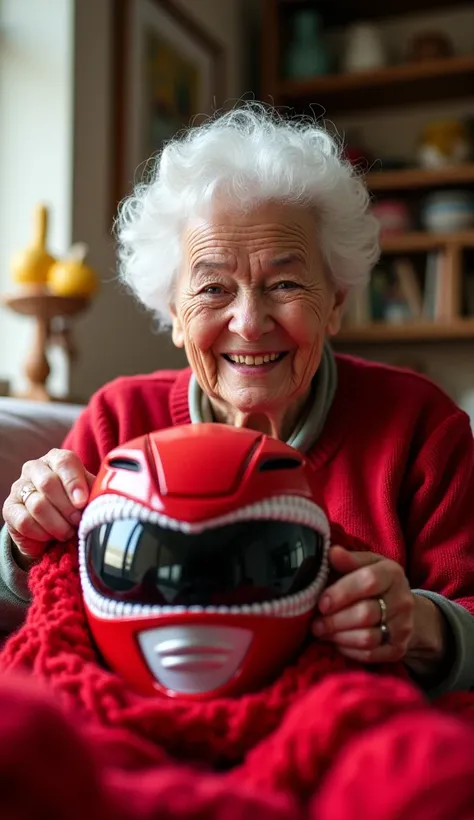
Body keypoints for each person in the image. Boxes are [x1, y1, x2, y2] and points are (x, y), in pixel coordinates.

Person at [1, 104, 474, 696]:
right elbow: (41, 609)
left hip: (345, 729)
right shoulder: (117, 420)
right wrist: (23, 545)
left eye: (285, 284)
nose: (249, 323)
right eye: (213, 288)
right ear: (174, 315)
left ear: (336, 301)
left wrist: (421, 622)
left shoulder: (421, 426)